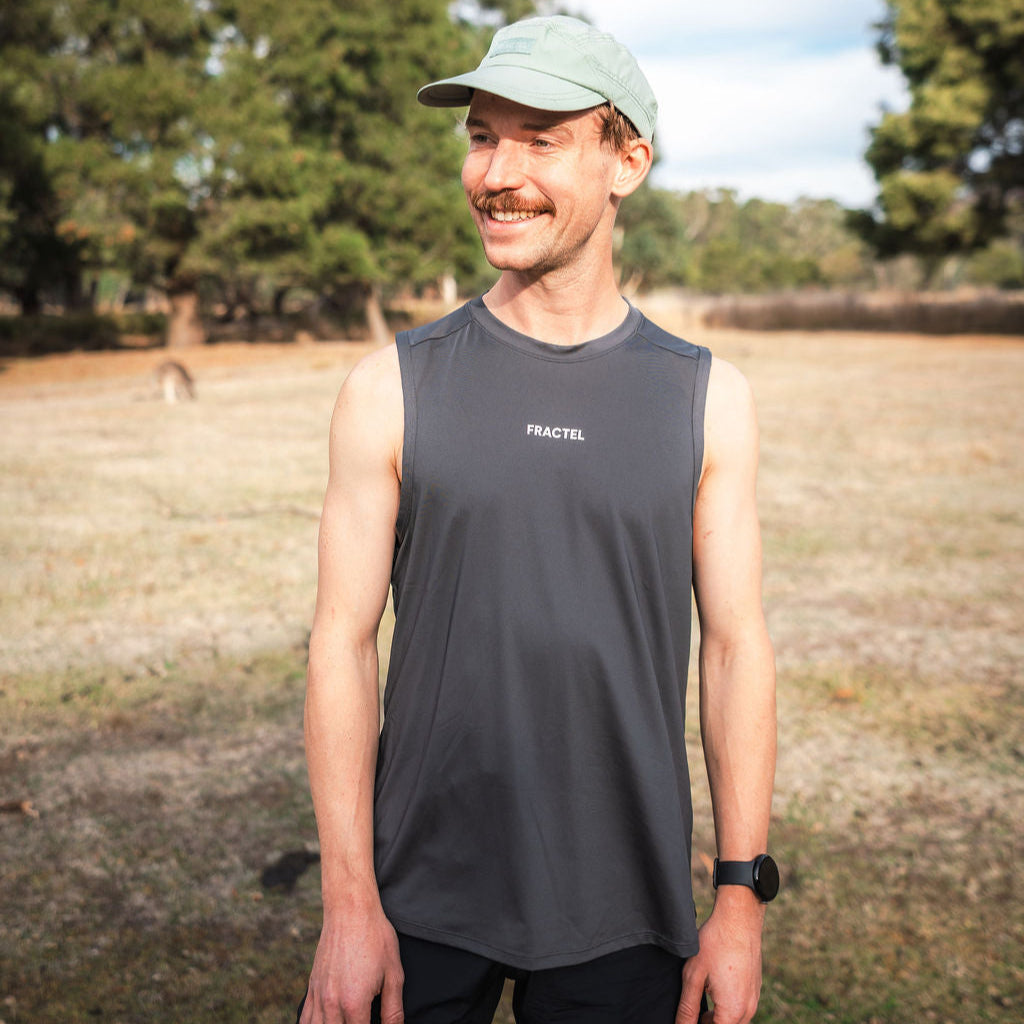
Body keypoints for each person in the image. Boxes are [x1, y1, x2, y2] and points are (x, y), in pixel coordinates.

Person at [298, 14, 777, 1024]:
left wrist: (738, 897)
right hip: (418, 897)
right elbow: (339, 646)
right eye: (481, 135)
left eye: (541, 138)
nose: (497, 172)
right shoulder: (389, 386)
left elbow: (737, 650)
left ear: (626, 160)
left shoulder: (707, 397)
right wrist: (348, 904)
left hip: (625, 907)